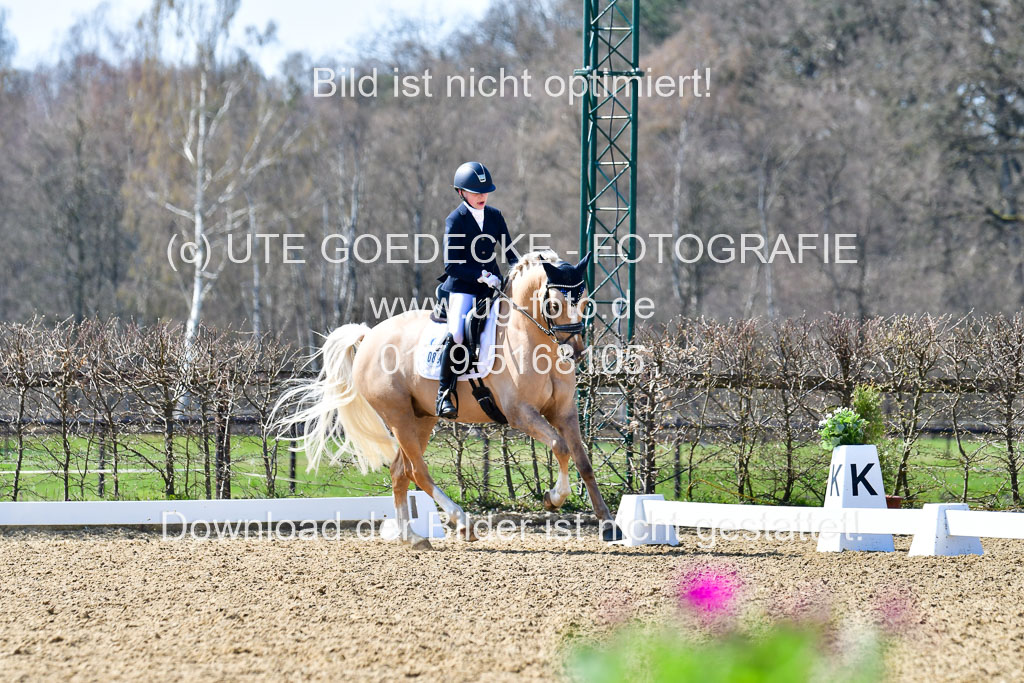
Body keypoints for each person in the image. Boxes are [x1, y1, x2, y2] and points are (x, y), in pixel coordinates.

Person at [435, 161, 520, 419]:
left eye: (485, 191)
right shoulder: (456, 220)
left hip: (491, 287)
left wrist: (523, 269)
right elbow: (451, 265)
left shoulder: (494, 216)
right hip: (462, 287)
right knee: (458, 334)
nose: (482, 196)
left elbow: (510, 252)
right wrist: (480, 276)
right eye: (475, 191)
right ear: (461, 192)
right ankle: (444, 393)